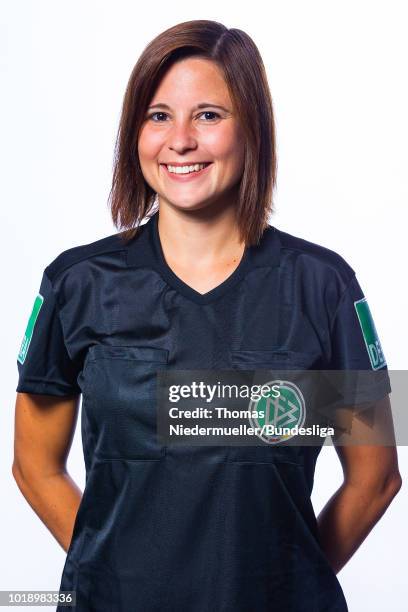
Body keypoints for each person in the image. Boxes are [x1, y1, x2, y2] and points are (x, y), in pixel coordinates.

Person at [13, 19, 401, 612]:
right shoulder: (76, 284)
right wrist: (114, 575)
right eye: (159, 115)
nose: (181, 140)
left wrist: (286, 582)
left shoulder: (323, 286)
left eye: (209, 115)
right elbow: (33, 465)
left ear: (253, 129)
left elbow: (375, 479)